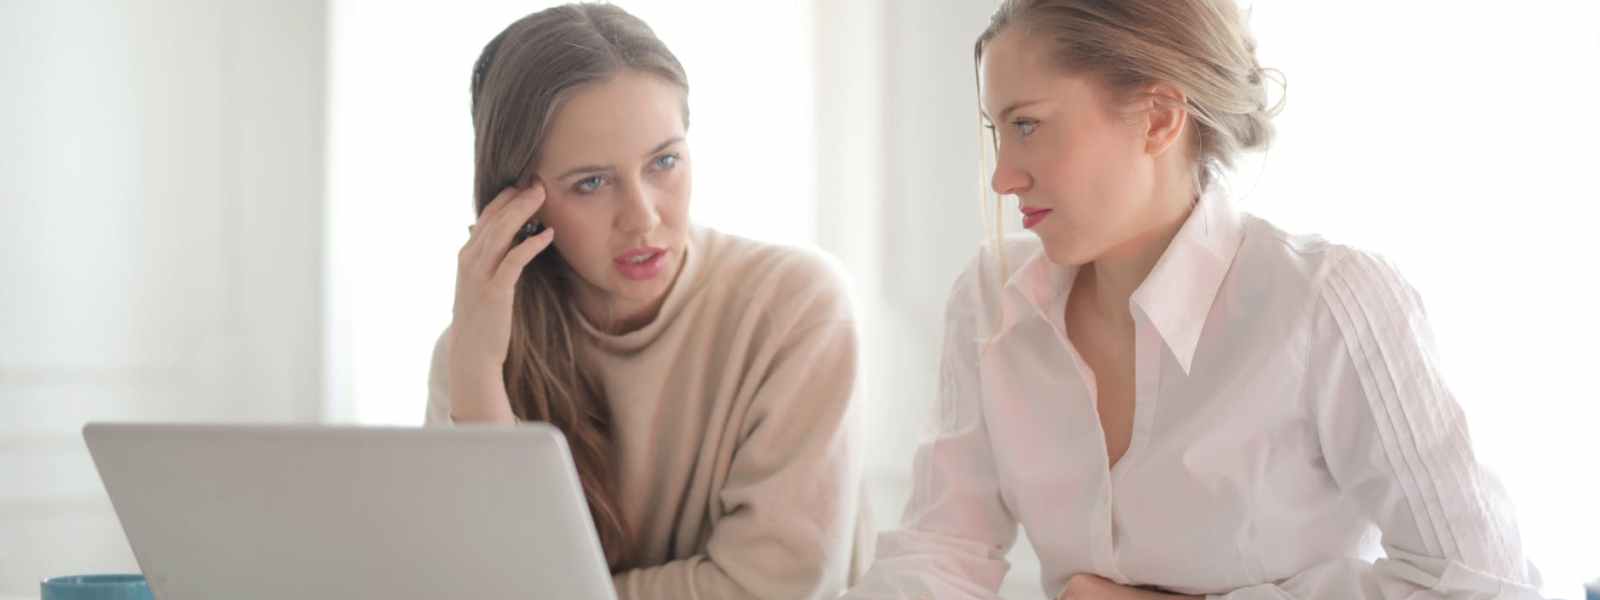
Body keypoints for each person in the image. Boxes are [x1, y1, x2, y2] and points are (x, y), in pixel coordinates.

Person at [844, 1, 1540, 598]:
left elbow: (1489, 585)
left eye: (1027, 125)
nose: (1002, 177)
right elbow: (941, 552)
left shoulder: (1329, 305)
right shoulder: (991, 299)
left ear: (1158, 118)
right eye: (998, 133)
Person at [426, 5, 870, 599]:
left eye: (664, 162)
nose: (642, 217)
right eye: (591, 182)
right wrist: (480, 379)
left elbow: (774, 589)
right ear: (518, 205)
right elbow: (477, 585)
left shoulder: (798, 308)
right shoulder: (474, 353)